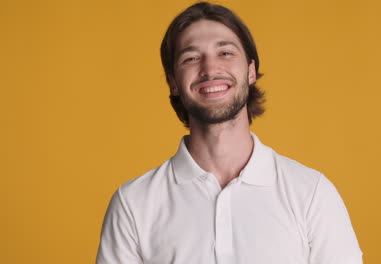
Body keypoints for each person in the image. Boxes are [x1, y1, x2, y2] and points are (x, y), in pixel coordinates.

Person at [96, 2, 363, 264]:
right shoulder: (133, 204)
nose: (210, 69)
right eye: (191, 58)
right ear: (173, 82)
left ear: (250, 71)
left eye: (225, 53)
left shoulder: (312, 194)